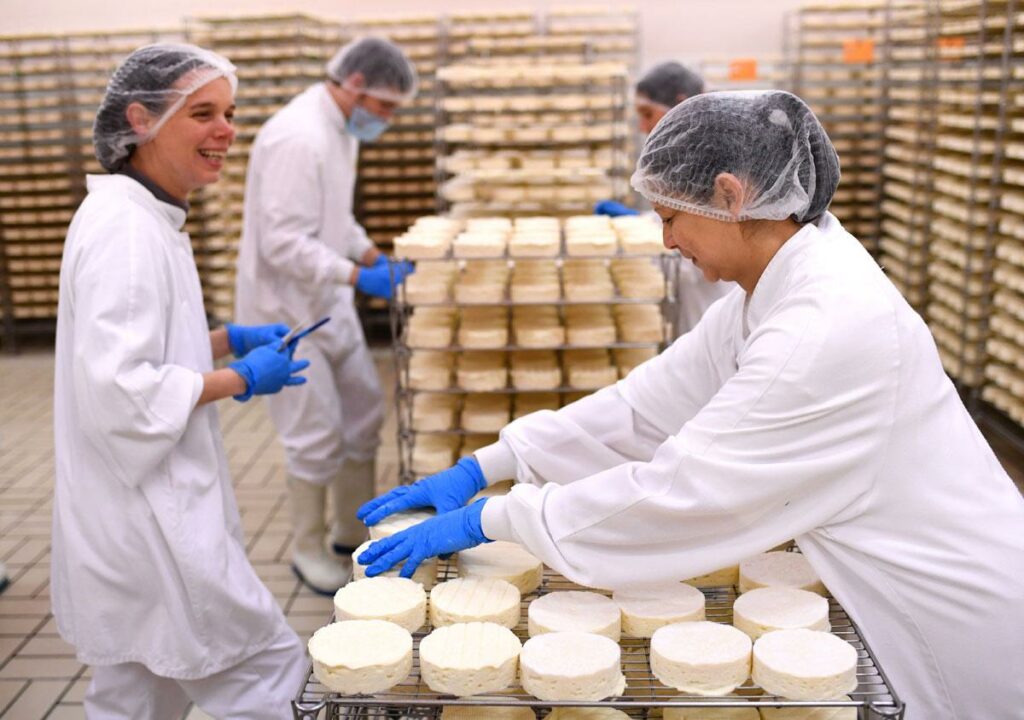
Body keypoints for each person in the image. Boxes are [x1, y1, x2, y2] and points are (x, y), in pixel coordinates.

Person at [358, 91, 1024, 720]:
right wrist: (491, 463)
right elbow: (643, 408)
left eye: (672, 216)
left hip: (956, 617)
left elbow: (686, 490)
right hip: (896, 579)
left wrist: (497, 519)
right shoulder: (771, 292)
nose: (668, 241)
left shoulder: (824, 325)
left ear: (730, 195)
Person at [52, 44, 310, 719]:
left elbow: (130, 348)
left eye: (229, 112)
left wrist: (221, 340)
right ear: (140, 119)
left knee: (135, 691)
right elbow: (119, 390)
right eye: (203, 113)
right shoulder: (126, 231)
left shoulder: (144, 218)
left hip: (125, 513)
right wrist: (240, 378)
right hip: (152, 517)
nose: (227, 130)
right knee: (265, 668)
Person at [234, 37, 417, 595]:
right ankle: (307, 548)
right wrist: (357, 277)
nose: (385, 120)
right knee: (313, 434)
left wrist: (368, 255)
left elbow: (334, 218)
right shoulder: (298, 137)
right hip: (285, 310)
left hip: (326, 298)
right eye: (385, 107)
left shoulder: (339, 131)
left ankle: (347, 530)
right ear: (356, 84)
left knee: (362, 412)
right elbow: (282, 243)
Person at [595, 61, 732, 337]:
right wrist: (643, 223)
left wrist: (646, 231)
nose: (644, 127)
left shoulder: (716, 152)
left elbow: (704, 230)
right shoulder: (682, 155)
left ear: (680, 104)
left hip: (712, 292)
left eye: (648, 114)